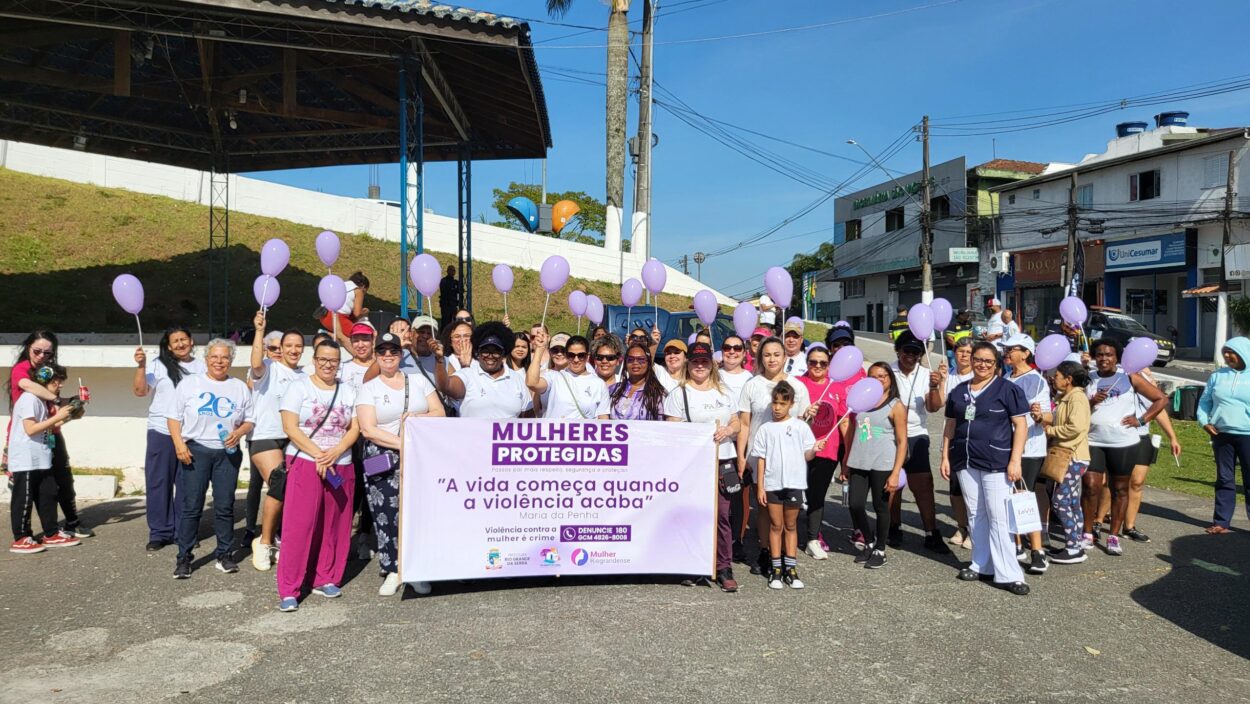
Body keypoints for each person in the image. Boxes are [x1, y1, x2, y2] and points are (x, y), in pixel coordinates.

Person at [357, 332, 444, 597]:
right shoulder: (369, 388)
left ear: (401, 354)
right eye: (382, 352)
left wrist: (417, 416)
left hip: (418, 456)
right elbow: (368, 429)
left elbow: (439, 412)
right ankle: (393, 569)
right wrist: (403, 444)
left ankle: (414, 568)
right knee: (386, 513)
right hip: (383, 456)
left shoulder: (417, 381)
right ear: (376, 355)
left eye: (393, 351)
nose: (388, 356)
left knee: (417, 512)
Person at [940, 341, 1030, 596]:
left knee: (999, 516)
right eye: (978, 359)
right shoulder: (959, 391)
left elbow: (1021, 426)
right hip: (965, 460)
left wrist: (1015, 460)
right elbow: (950, 425)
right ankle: (981, 564)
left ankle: (1009, 574)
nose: (982, 365)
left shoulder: (1007, 390)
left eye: (988, 361)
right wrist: (945, 456)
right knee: (975, 513)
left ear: (996, 363)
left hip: (995, 461)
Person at [276, 340, 360, 611]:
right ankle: (290, 587)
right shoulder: (298, 387)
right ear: (314, 360)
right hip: (305, 461)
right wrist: (319, 455)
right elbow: (290, 427)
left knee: (335, 523)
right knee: (299, 526)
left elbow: (354, 427)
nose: (328, 364)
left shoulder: (348, 391)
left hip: (340, 462)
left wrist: (336, 451)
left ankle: (326, 576)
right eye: (323, 359)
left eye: (333, 360)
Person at [167, 339, 254, 579]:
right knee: (192, 506)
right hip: (196, 450)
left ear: (231, 360)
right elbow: (173, 418)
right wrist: (179, 445)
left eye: (225, 357)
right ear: (206, 359)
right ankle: (184, 558)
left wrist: (239, 432)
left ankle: (224, 555)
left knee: (224, 506)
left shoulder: (239, 387)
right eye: (214, 357)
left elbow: (250, 419)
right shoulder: (189, 384)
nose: (219, 361)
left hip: (227, 453)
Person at [664, 341, 741, 592]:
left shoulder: (724, 392)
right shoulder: (679, 393)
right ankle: (694, 564)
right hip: (694, 463)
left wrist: (728, 430)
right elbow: (673, 428)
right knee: (693, 514)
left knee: (722, 515)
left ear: (711, 364)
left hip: (722, 460)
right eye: (695, 361)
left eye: (704, 361)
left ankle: (724, 566)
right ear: (689, 364)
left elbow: (737, 422)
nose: (700, 366)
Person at [736, 336, 811, 577]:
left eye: (776, 354)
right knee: (764, 507)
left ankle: (785, 558)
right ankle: (766, 551)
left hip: (788, 461)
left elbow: (802, 424)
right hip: (759, 458)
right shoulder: (752, 385)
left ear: (785, 357)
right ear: (760, 357)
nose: (771, 359)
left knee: (786, 512)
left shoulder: (797, 387)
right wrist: (741, 456)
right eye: (767, 355)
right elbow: (744, 423)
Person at [1084, 338, 1166, 556]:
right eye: (1100, 355)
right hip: (1093, 440)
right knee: (1090, 486)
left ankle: (1113, 536)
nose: (1104, 359)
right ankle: (1087, 533)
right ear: (1094, 357)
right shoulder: (1088, 378)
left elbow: (1161, 399)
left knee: (1120, 488)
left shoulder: (1130, 377)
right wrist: (1091, 402)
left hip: (1123, 442)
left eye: (1109, 355)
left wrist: (1141, 420)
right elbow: (1077, 407)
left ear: (1117, 357)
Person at [7, 330, 90, 539]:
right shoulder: (23, 370)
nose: (42, 356)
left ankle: (65, 525)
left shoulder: (48, 372)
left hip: (50, 434)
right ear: (28, 347)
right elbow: (27, 386)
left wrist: (73, 407)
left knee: (57, 483)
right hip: (28, 439)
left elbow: (56, 411)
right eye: (37, 351)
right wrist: (57, 401)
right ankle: (23, 536)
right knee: (26, 490)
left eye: (48, 353)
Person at [132, 325, 204, 552]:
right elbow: (140, 391)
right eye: (175, 341)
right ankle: (160, 532)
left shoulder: (202, 367)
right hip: (161, 431)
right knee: (158, 482)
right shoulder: (158, 364)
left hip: (190, 434)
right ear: (169, 347)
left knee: (187, 485)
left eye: (184, 339)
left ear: (191, 341)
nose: (180, 344)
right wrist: (141, 366)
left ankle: (184, 532)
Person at [244, 312, 304, 571]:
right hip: (265, 436)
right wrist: (259, 331)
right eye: (287, 345)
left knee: (295, 491)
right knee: (280, 483)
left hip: (293, 439)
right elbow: (256, 362)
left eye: (298, 346)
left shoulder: (305, 375)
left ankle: (281, 538)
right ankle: (264, 541)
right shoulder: (269, 368)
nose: (292, 350)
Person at [752, 381, 823, 589]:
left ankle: (790, 569)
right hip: (773, 484)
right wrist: (761, 486)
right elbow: (761, 459)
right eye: (775, 403)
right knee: (776, 525)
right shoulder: (765, 429)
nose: (777, 407)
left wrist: (815, 449)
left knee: (791, 526)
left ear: (791, 404)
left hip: (794, 483)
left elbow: (807, 455)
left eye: (782, 404)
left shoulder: (801, 426)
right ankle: (775, 569)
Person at [888, 331, 951, 554]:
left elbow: (933, 408)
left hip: (916, 434)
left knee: (923, 485)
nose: (910, 356)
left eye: (916, 352)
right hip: (890, 435)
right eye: (906, 350)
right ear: (898, 350)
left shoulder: (926, 374)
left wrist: (934, 387)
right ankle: (893, 526)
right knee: (893, 485)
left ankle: (931, 532)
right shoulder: (887, 371)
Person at [841, 362, 907, 569]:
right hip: (859, 461)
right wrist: (846, 462)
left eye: (882, 376)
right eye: (873, 376)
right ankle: (869, 542)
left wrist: (896, 472)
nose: (878, 380)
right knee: (855, 504)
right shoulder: (860, 402)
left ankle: (880, 549)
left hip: (883, 463)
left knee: (881, 507)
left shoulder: (895, 405)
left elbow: (902, 441)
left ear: (890, 379)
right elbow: (852, 432)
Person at [8, 364, 80, 554]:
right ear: (43, 380)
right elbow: (30, 429)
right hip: (26, 458)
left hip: (41, 456)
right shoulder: (29, 399)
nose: (60, 385)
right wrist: (58, 417)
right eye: (56, 381)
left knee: (48, 494)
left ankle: (51, 532)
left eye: (61, 382)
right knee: (24, 498)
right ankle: (21, 537)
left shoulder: (42, 401)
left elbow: (47, 426)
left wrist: (70, 414)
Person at [1003, 334, 1051, 574]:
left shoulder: (1037, 380)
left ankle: (1038, 551)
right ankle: (1016, 545)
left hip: (1030, 449)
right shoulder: (1005, 377)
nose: (1006, 352)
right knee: (1009, 497)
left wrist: (1039, 415)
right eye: (1005, 348)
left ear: (1025, 353)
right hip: (1006, 447)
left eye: (1011, 349)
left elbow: (1049, 416)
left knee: (1024, 497)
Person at [1119, 369, 1182, 543]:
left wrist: (1172, 437)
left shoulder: (1144, 379)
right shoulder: (1114, 375)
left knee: (1137, 482)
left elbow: (1158, 409)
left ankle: (1129, 526)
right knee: (1113, 481)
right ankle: (1098, 521)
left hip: (1141, 435)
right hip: (1117, 436)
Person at [1197, 336, 1250, 534]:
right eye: (1225, 352)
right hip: (1221, 434)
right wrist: (1204, 422)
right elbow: (1205, 402)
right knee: (1224, 478)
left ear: (1244, 353)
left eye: (1231, 352)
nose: (1227, 356)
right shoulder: (1217, 376)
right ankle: (1221, 522)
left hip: (1247, 435)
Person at [794, 344, 842, 560]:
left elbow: (844, 422)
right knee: (793, 493)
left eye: (823, 362)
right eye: (813, 362)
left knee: (817, 495)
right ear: (807, 363)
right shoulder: (797, 384)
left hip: (827, 448)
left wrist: (846, 457)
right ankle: (788, 533)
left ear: (829, 365)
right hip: (798, 448)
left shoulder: (836, 387)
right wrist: (804, 414)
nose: (818, 366)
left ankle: (812, 539)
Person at [1042, 361, 1092, 564]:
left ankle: (1073, 547)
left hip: (1072, 456)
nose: (1054, 379)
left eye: (1057, 376)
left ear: (1068, 379)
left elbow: (1076, 427)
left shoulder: (1077, 398)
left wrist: (1050, 431)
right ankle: (1076, 543)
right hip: (1070, 455)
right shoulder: (1066, 397)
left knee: (1060, 501)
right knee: (1071, 501)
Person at [437, 323, 534, 419]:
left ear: (503, 354)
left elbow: (529, 418)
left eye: (496, 352)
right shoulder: (466, 374)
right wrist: (439, 360)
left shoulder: (516, 379)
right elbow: (446, 386)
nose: (490, 356)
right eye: (485, 351)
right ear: (478, 353)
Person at [526, 332, 610, 420]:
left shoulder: (599, 384)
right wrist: (540, 349)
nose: (576, 360)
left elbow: (603, 419)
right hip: (555, 429)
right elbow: (532, 383)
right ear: (566, 355)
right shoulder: (553, 377)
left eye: (581, 355)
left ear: (587, 356)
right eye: (571, 355)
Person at [942, 337, 975, 548]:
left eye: (968, 352)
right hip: (952, 435)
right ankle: (961, 526)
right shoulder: (949, 374)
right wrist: (940, 381)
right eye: (960, 351)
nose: (964, 355)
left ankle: (973, 529)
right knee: (955, 489)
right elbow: (940, 405)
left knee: (971, 489)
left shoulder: (977, 377)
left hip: (972, 439)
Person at [606, 341, 667, 421]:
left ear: (648, 363)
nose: (635, 362)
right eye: (630, 359)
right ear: (625, 363)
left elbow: (663, 426)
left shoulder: (659, 394)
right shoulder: (612, 390)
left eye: (641, 359)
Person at [320, 271, 369, 342]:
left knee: (343, 337)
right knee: (359, 337)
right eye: (365, 292)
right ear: (363, 287)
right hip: (338, 317)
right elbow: (357, 314)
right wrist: (365, 313)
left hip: (323, 316)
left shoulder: (341, 285)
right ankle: (328, 335)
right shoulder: (358, 290)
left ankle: (328, 335)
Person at [341, 322, 376, 391]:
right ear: (351, 342)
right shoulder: (342, 367)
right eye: (356, 341)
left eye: (365, 340)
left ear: (373, 340)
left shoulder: (381, 368)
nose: (360, 345)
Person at [718, 334, 751, 405]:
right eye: (727, 348)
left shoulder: (750, 379)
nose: (732, 352)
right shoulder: (713, 376)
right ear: (722, 351)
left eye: (737, 348)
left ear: (744, 353)